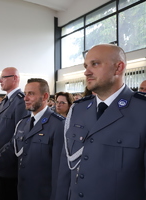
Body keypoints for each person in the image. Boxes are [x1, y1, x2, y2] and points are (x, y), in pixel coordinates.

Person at [56, 44, 146, 200]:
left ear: (118, 68)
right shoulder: (78, 109)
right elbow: (66, 166)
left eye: (95, 64)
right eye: (86, 66)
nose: (86, 72)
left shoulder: (141, 111)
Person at [0, 78, 65, 200]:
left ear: (45, 96)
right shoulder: (23, 123)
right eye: (25, 94)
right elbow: (11, 149)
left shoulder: (59, 125)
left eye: (31, 94)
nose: (25, 98)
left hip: (44, 194)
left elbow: (61, 170)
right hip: (23, 190)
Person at [0, 67, 29, 200]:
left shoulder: (20, 102)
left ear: (15, 78)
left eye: (3, 77)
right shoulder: (5, 102)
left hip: (10, 165)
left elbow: (20, 137)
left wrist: (0, 156)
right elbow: (0, 130)